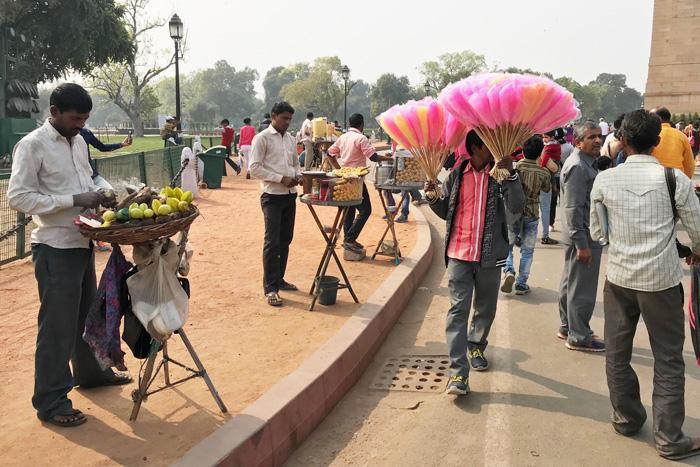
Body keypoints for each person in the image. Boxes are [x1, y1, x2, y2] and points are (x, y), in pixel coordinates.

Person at [7, 83, 131, 429]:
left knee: (85, 317)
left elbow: (89, 175)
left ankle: (91, 374)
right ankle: (51, 401)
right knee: (57, 329)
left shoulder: (77, 141)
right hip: (54, 247)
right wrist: (73, 200)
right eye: (76, 118)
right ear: (54, 112)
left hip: (81, 242)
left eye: (85, 119)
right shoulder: (32, 145)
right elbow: (18, 197)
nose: (81, 125)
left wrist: (103, 190)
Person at [590, 109, 700, 461]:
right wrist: (694, 252)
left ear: (621, 140)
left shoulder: (604, 181)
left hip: (619, 278)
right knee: (668, 359)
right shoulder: (674, 180)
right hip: (662, 282)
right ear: (657, 141)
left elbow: (597, 233)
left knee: (617, 352)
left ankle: (626, 417)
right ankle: (669, 438)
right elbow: (697, 231)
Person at [428, 130, 524, 395]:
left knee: (485, 308)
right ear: (475, 148)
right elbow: (445, 210)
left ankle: (477, 344)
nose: (494, 150)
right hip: (459, 253)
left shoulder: (501, 176)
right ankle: (458, 373)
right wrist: (432, 197)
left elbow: (516, 209)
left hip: (490, 256)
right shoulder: (456, 175)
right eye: (487, 145)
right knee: (458, 311)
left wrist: (512, 175)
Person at [557, 121, 605, 352]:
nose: (597, 141)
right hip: (583, 236)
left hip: (580, 235)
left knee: (571, 283)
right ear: (577, 142)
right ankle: (578, 336)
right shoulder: (578, 166)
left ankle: (568, 326)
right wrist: (582, 244)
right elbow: (573, 208)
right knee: (582, 288)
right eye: (591, 137)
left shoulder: (585, 163)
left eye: (599, 136)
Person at [249, 102, 301, 307]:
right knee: (272, 242)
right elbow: (254, 168)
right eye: (284, 118)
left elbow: (295, 163)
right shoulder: (261, 138)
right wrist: (280, 178)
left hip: (290, 194)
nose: (287, 122)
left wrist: (297, 175)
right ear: (273, 116)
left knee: (285, 239)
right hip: (272, 195)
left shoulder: (290, 138)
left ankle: (279, 278)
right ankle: (270, 288)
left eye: (289, 119)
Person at [326, 113, 393, 253]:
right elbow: (373, 157)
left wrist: (340, 170)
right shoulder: (361, 138)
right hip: (356, 180)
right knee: (365, 210)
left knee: (348, 210)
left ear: (350, 124)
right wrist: (389, 160)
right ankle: (350, 238)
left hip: (344, 179)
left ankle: (348, 241)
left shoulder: (342, 137)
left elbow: (329, 154)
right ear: (362, 125)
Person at [502, 135, 550, 295]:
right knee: (527, 250)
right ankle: (521, 284)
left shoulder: (515, 168)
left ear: (522, 151)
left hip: (513, 213)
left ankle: (509, 271)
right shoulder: (543, 172)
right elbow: (547, 189)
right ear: (540, 153)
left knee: (507, 246)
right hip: (532, 213)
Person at [650, 107, 695, 179]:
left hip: (653, 179)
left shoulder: (649, 134)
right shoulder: (681, 136)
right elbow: (689, 164)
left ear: (658, 118)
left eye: (650, 117)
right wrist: (685, 181)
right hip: (676, 180)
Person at [539, 129, 560, 245]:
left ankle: (544, 235)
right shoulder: (557, 146)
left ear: (551, 137)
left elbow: (544, 160)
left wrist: (540, 166)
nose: (544, 139)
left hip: (543, 179)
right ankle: (545, 235)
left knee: (544, 209)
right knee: (546, 209)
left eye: (546, 137)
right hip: (550, 179)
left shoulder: (548, 147)